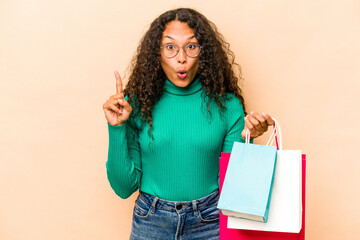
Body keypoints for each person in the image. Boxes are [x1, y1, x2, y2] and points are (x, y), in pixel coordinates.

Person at [102, 8, 275, 240]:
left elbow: (232, 188)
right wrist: (116, 127)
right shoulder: (136, 105)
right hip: (151, 221)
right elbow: (123, 188)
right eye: (170, 47)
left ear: (204, 53)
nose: (181, 58)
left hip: (210, 221)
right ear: (157, 53)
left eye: (191, 46)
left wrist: (247, 138)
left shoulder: (228, 106)